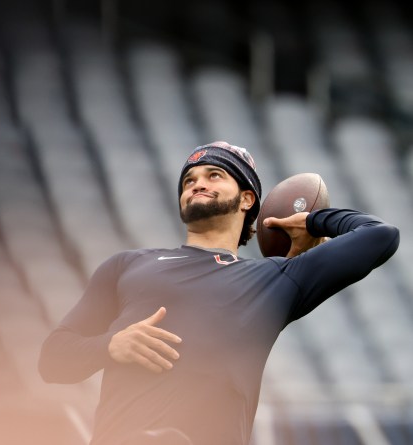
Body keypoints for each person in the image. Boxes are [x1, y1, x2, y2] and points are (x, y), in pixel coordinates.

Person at [38, 141, 400, 445]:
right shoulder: (127, 266)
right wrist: (110, 346)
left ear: (247, 199)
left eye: (215, 175)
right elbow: (52, 359)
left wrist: (312, 220)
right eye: (188, 180)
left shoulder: (274, 280)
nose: (197, 184)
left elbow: (379, 235)